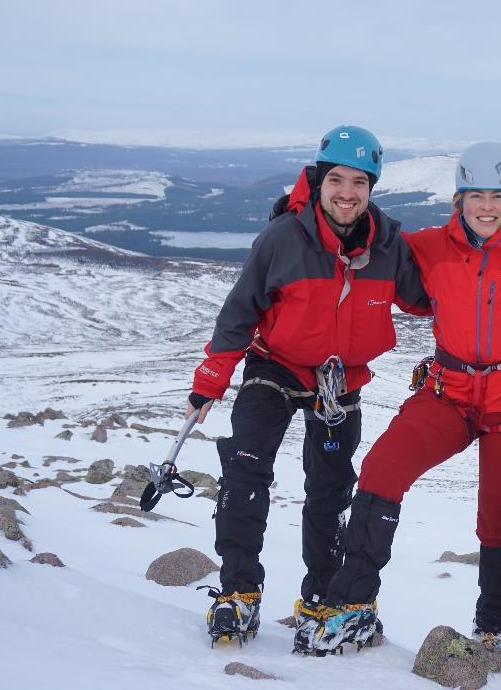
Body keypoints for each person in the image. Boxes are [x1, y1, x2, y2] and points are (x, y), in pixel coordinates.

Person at [291, 141, 501, 655]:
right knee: (383, 468)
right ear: (458, 199)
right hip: (448, 391)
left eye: (497, 196)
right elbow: (360, 226)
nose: (486, 206)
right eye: (474, 194)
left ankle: (491, 625)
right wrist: (300, 203)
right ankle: (354, 604)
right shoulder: (429, 245)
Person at [184, 124, 430, 644]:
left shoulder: (388, 246)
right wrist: (212, 378)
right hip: (274, 367)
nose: (346, 192)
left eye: (359, 182)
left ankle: (321, 597)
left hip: (339, 381)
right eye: (336, 179)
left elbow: (428, 300)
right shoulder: (282, 238)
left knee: (330, 490)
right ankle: (238, 593)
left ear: (372, 188)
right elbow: (240, 310)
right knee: (246, 473)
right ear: (318, 181)